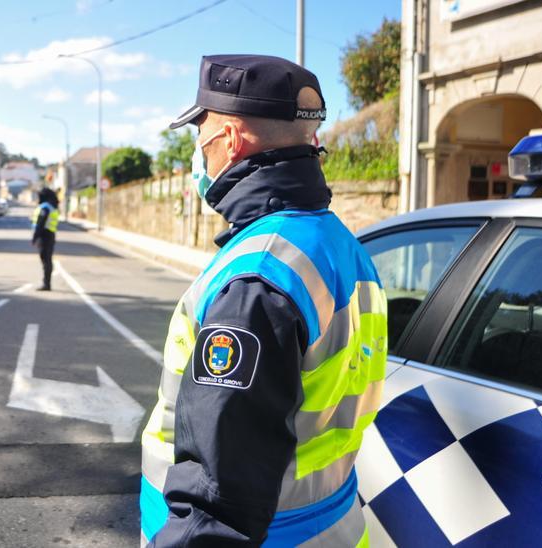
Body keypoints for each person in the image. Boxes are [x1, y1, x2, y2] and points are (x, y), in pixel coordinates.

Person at [140, 55, 388, 546]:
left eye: (201, 137)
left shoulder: (258, 273)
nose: (199, 154)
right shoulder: (339, 244)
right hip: (331, 526)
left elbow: (218, 496)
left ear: (229, 141)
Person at [31, 187, 60, 291]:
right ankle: (47, 283)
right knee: (47, 260)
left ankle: (46, 284)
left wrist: (35, 237)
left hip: (45, 236)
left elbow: (40, 224)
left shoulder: (45, 207)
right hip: (50, 235)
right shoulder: (52, 206)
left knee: (46, 260)